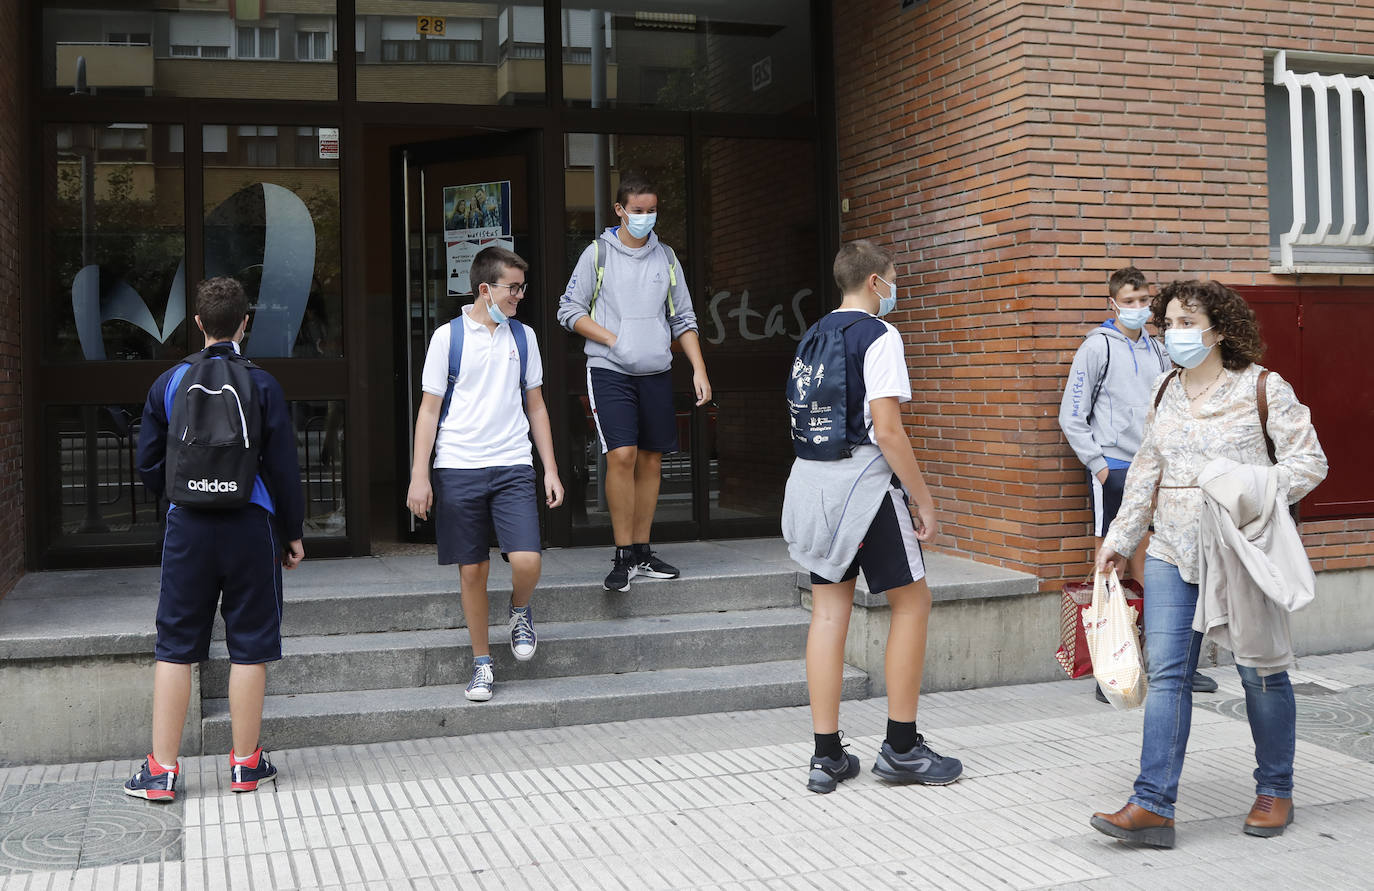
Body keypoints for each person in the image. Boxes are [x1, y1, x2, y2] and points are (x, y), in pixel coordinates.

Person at [1090, 280, 1327, 847]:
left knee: (1260, 673)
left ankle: (1276, 789)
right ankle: (1152, 805)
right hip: (1172, 550)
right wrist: (1119, 539)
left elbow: (1308, 462)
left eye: (1187, 322)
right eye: (1168, 322)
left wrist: (1249, 487)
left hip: (1240, 551)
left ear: (1220, 330)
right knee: (1169, 674)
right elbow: (1146, 466)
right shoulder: (1164, 389)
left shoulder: (1262, 388)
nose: (1175, 333)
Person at [782, 240, 962, 794]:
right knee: (913, 602)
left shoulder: (814, 334)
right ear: (876, 282)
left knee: (829, 613)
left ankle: (826, 755)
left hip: (814, 486)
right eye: (893, 280)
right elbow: (887, 429)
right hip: (866, 488)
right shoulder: (880, 335)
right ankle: (902, 747)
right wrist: (923, 498)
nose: (895, 290)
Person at [125, 276, 305, 802]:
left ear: (198, 322)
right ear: (245, 323)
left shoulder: (169, 383)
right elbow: (284, 470)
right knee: (249, 646)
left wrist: (186, 494)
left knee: (176, 646)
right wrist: (291, 533)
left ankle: (161, 771)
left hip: (189, 527)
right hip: (251, 526)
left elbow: (149, 464)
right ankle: (247, 766)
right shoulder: (264, 385)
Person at [407, 246, 564, 702]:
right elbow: (429, 412)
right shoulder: (447, 338)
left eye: (521, 287)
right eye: (512, 288)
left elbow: (536, 405)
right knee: (472, 570)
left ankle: (519, 609)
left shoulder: (524, 337)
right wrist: (420, 475)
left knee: (527, 560)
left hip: (513, 463)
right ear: (485, 289)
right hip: (457, 466)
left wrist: (549, 469)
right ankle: (481, 663)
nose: (519, 296)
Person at [1059, 267, 1218, 701]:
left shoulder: (1158, 347)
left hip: (1157, 470)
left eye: (1143, 300)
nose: (1138, 308)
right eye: (1128, 301)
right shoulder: (1096, 348)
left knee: (1158, 565)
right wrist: (1100, 466)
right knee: (1114, 565)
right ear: (1112, 303)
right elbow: (1071, 416)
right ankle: (1108, 667)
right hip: (1114, 468)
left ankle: (1167, 662)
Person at [557, 171, 710, 592]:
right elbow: (568, 309)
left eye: (652, 210)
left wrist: (698, 368)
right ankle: (622, 555)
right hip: (609, 370)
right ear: (620, 211)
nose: (645, 217)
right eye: (637, 211)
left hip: (656, 371)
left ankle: (643, 551)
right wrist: (613, 338)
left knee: (651, 459)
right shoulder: (597, 255)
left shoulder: (667, 258)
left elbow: (683, 318)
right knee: (622, 455)